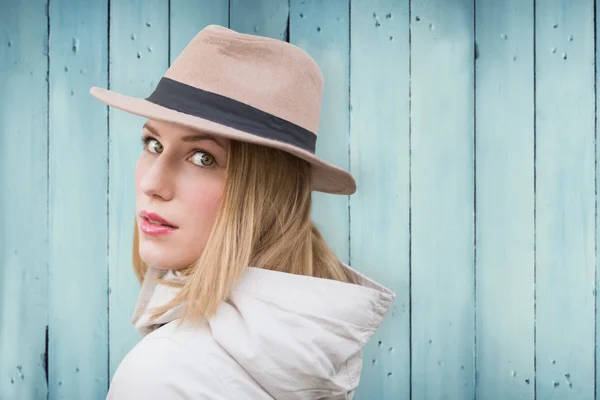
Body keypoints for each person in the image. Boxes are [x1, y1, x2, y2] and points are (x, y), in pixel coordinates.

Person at [90, 24, 395, 399]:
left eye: (202, 158)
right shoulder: (309, 352)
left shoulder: (162, 374)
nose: (153, 183)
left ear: (265, 193)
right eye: (153, 143)